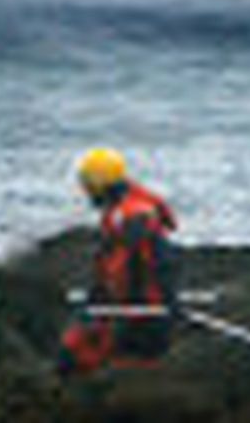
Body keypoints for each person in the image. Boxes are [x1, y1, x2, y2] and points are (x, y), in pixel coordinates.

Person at [58, 146, 179, 376]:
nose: (87, 193)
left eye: (89, 187)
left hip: (142, 313)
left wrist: (166, 303)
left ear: (100, 185)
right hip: (127, 308)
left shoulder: (134, 216)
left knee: (75, 358)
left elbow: (155, 262)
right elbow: (111, 265)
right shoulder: (123, 210)